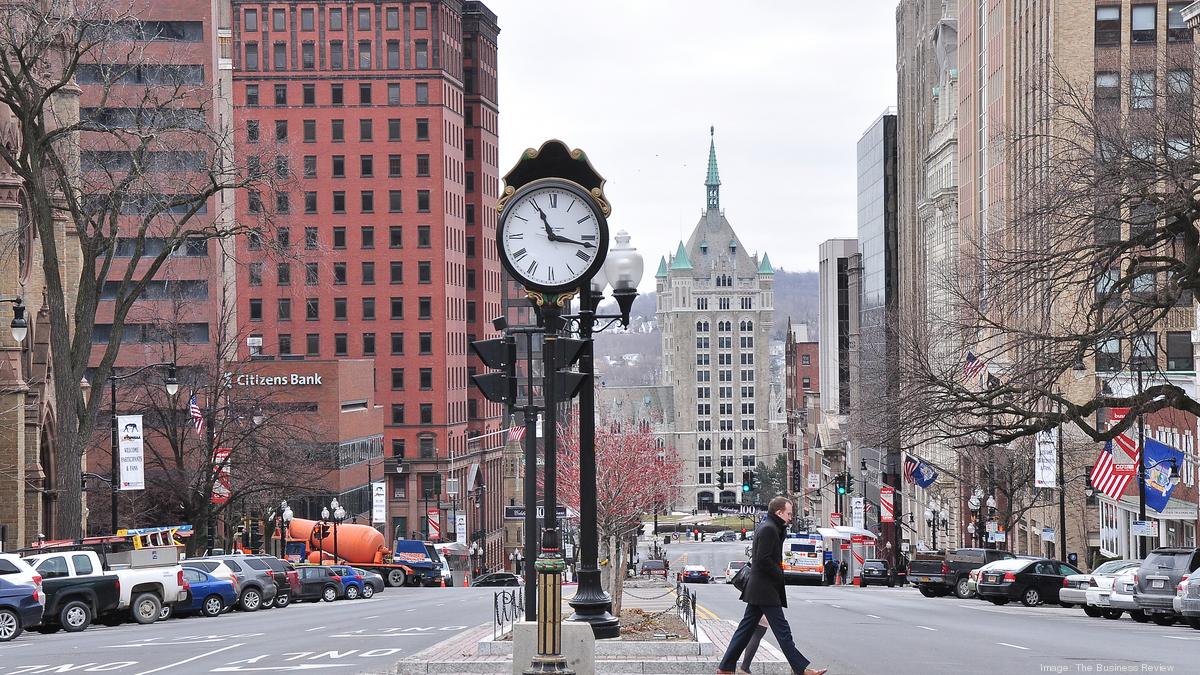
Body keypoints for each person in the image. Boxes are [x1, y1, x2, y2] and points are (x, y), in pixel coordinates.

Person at [717, 496, 826, 675]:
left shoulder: (772, 527)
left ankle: (725, 667)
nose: (791, 517)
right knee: (782, 631)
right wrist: (779, 575)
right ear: (779, 512)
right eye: (788, 514)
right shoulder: (769, 529)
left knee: (745, 630)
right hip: (765, 589)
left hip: (760, 588)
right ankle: (801, 669)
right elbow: (763, 559)